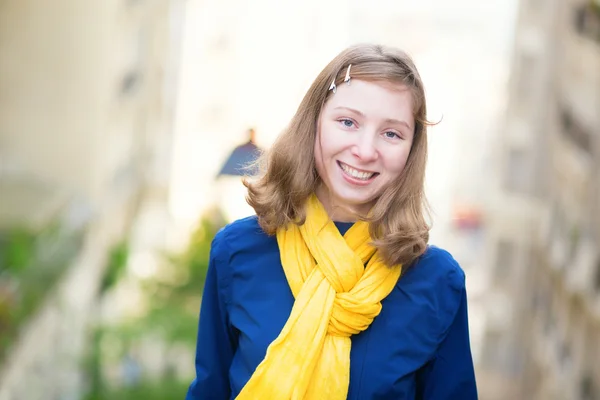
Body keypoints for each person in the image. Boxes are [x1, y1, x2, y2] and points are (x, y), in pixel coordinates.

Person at [186, 43, 478, 400]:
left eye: (391, 133)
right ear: (315, 123)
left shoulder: (437, 282)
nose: (365, 150)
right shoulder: (237, 251)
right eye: (348, 122)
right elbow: (209, 390)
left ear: (411, 150)